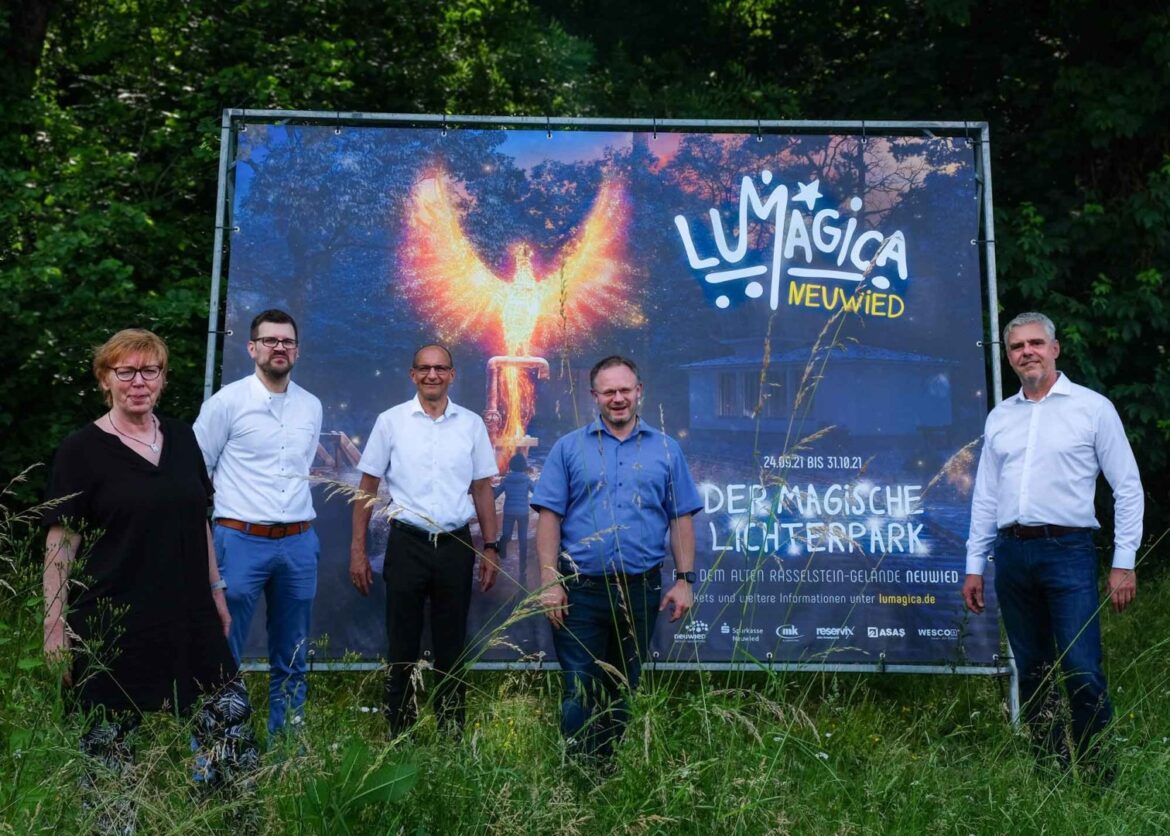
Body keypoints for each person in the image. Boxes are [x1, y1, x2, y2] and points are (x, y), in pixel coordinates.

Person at [42, 329, 257, 831]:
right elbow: (60, 543)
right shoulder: (81, 451)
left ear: (162, 379)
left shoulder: (181, 438)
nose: (138, 382)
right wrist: (54, 627)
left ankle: (223, 821)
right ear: (105, 380)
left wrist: (216, 590)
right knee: (108, 753)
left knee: (229, 726)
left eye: (149, 371)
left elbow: (198, 519)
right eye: (126, 372)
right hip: (110, 622)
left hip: (189, 614)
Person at [962, 311, 1143, 772]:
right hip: (1012, 554)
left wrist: (1124, 562)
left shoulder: (1092, 408)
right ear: (1009, 357)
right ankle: (1049, 771)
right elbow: (985, 494)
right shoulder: (1001, 417)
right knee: (1034, 671)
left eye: (1036, 343)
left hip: (1068, 552)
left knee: (1082, 669)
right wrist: (975, 565)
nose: (1028, 352)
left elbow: (1127, 486)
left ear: (1055, 348)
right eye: (1017, 346)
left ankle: (1097, 772)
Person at [532, 355, 702, 762]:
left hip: (641, 590)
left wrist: (684, 579)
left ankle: (609, 767)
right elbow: (549, 517)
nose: (618, 398)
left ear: (639, 391)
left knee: (624, 685)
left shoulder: (666, 448)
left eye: (625, 389)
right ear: (595, 396)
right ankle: (578, 773)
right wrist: (550, 580)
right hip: (580, 592)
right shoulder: (568, 448)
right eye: (609, 391)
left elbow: (680, 517)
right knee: (579, 687)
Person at [348, 343, 500, 736]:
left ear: (452, 375)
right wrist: (358, 550)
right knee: (402, 644)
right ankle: (400, 733)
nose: (432, 375)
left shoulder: (471, 425)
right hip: (407, 544)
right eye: (424, 368)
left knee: (452, 646)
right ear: (412, 375)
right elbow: (366, 488)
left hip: (456, 545)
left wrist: (491, 547)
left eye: (440, 368)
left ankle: (451, 732)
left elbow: (482, 489)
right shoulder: (391, 422)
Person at [194, 309, 323, 737]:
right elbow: (197, 475)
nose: (279, 348)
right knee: (222, 650)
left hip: (299, 542)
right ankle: (214, 755)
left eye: (286, 341)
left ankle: (287, 752)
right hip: (240, 539)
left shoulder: (311, 406)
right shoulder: (226, 403)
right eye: (269, 341)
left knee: (293, 654)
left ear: (298, 351)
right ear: (252, 348)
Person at [494, 452, 535, 589]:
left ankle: (502, 544)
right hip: (523, 512)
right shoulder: (527, 480)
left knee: (506, 534)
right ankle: (522, 566)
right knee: (523, 539)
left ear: (511, 466)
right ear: (524, 466)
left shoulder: (506, 480)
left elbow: (494, 494)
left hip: (509, 512)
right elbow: (537, 491)